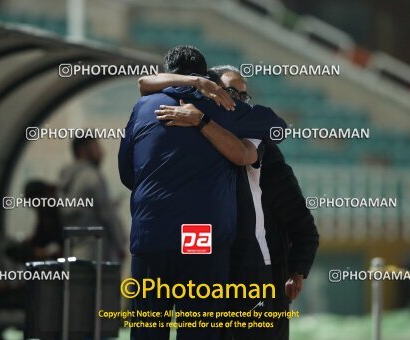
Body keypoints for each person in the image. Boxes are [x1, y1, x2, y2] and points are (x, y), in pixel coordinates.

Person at [118, 45, 286, 340]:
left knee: (146, 331)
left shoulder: (143, 108)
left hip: (150, 233)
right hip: (199, 236)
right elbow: (278, 128)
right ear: (206, 74)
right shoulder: (221, 107)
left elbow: (126, 173)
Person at [142, 65, 319, 339]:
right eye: (230, 91)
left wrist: (297, 270)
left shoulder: (255, 139)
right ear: (212, 91)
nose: (237, 100)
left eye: (243, 95)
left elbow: (302, 223)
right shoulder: (191, 132)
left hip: (254, 267)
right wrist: (197, 83)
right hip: (211, 263)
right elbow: (145, 82)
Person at [58, 136, 126, 262]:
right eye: (97, 147)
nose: (102, 153)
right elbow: (107, 215)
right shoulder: (91, 176)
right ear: (83, 150)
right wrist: (120, 244)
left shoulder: (68, 178)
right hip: (97, 255)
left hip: (76, 251)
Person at [5, 180, 62, 262]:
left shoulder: (60, 210)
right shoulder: (46, 211)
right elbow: (42, 236)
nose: (37, 208)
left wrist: (49, 255)